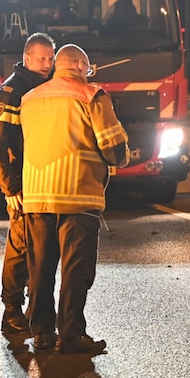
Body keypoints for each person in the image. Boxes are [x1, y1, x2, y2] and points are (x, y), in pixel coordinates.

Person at [19, 44, 129, 354]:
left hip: (37, 196)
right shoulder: (91, 96)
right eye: (88, 68)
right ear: (81, 66)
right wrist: (123, 156)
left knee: (40, 268)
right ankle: (71, 334)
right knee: (75, 271)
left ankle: (41, 331)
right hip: (78, 195)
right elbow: (113, 148)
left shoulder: (30, 98)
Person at [0, 32, 56, 336]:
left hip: (43, 180)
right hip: (22, 184)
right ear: (27, 57)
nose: (47, 63)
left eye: (51, 59)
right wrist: (10, 188)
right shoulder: (11, 91)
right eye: (41, 58)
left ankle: (32, 311)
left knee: (40, 250)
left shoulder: (45, 86)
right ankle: (11, 310)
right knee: (21, 246)